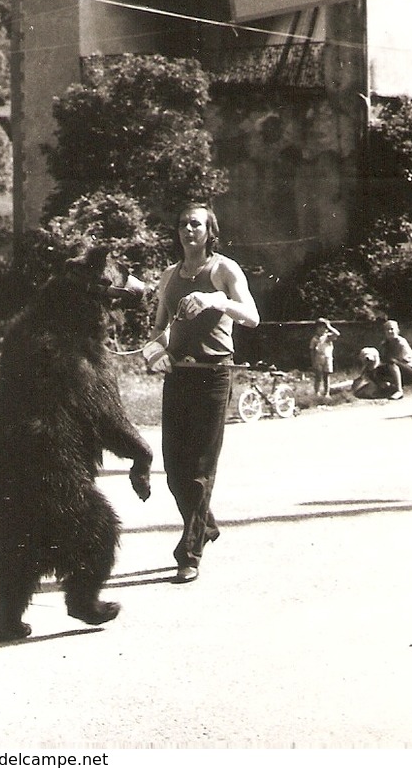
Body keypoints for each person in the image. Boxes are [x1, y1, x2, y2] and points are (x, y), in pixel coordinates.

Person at [143, 201, 260, 583]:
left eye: (196, 224)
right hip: (178, 378)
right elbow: (157, 331)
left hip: (213, 376)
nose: (188, 230)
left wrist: (216, 299)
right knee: (175, 471)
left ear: (210, 231)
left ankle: (189, 553)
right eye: (182, 224)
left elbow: (253, 317)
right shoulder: (168, 276)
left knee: (199, 470)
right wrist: (155, 354)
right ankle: (204, 524)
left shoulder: (224, 269)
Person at [351, 320, 412, 401]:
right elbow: (381, 359)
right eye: (387, 329)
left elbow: (395, 359)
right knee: (372, 369)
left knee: (391, 362)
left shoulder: (400, 342)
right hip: (396, 370)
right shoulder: (384, 344)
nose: (389, 331)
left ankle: (399, 391)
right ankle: (384, 388)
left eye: (392, 329)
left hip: (410, 371)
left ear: (397, 330)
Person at [309, 317, 340, 398]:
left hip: (327, 358)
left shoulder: (328, 337)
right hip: (318, 358)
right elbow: (312, 350)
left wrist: (329, 326)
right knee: (318, 376)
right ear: (316, 329)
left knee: (326, 376)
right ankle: (317, 392)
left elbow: (337, 334)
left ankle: (327, 393)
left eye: (323, 327)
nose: (321, 329)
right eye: (319, 327)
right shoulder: (315, 339)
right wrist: (313, 361)